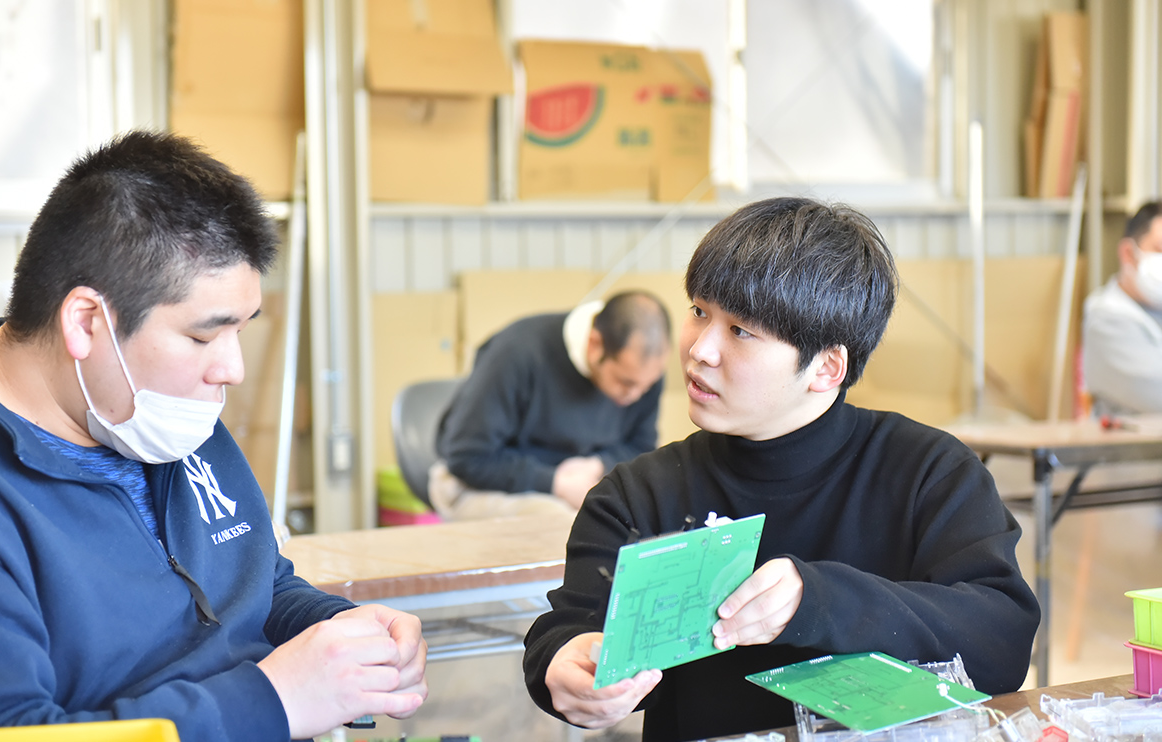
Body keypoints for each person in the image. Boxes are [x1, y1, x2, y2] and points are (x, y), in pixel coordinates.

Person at [0, 131, 427, 740]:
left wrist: (339, 632)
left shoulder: (146, 410)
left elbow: (255, 582)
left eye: (241, 331)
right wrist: (276, 698)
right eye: (203, 336)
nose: (230, 369)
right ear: (85, 321)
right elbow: (6, 732)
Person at [521, 197, 1040, 742]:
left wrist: (818, 600)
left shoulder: (927, 472)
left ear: (826, 367)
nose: (700, 350)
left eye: (740, 330)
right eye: (699, 312)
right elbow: (570, 627)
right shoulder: (638, 494)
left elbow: (1000, 642)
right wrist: (562, 664)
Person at [431, 291, 671, 520]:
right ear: (595, 345)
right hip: (477, 483)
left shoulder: (645, 372)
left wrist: (598, 464)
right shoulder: (518, 353)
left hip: (580, 480)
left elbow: (641, 447)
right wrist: (557, 483)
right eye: (625, 383)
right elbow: (467, 457)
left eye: (647, 386)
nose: (636, 396)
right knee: (577, 527)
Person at [1082, 201, 1162, 415]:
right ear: (1128, 253)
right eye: (1160, 249)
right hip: (1132, 448)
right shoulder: (1106, 318)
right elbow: (1155, 390)